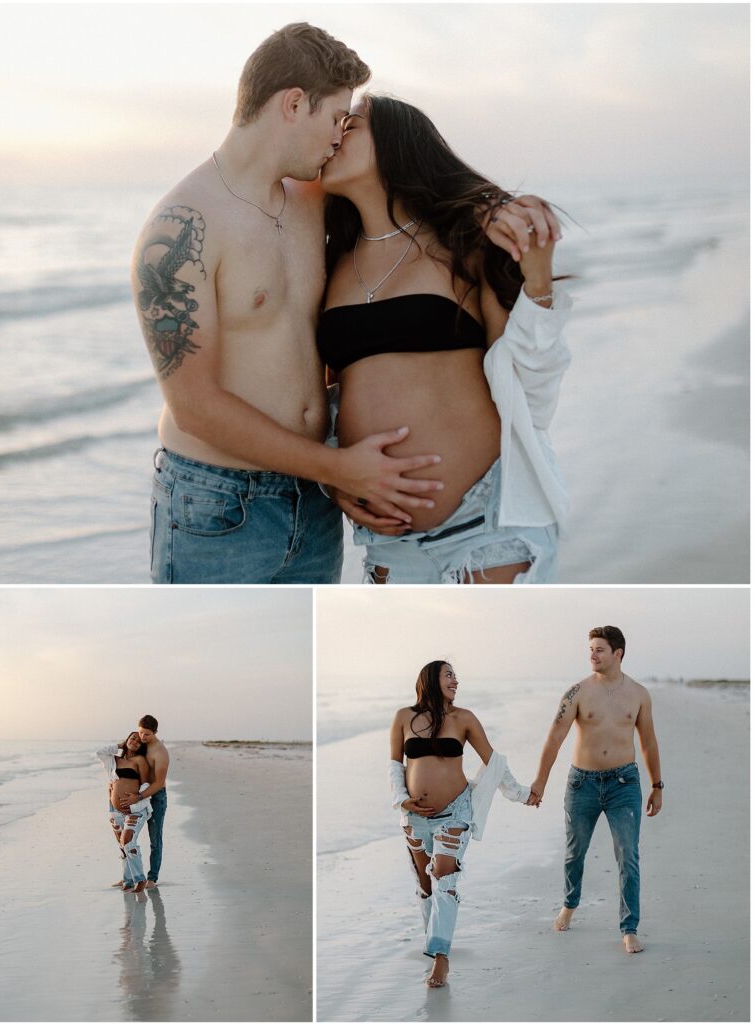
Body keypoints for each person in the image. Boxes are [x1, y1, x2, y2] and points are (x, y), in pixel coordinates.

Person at [132, 24, 446, 584]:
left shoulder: (313, 199)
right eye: (335, 120)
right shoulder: (183, 229)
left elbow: (413, 206)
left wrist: (505, 211)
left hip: (316, 497)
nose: (337, 139)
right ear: (295, 104)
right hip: (217, 506)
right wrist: (339, 468)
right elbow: (195, 407)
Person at [318, 94, 571, 584]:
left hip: (486, 527)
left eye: (352, 123)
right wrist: (336, 472)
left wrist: (536, 281)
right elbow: (329, 396)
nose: (336, 135)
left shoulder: (465, 244)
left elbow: (531, 390)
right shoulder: (329, 262)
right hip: (390, 543)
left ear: (397, 141)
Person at [389, 660, 535, 987]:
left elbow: (494, 762)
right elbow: (395, 766)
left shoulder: (464, 719)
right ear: (430, 679)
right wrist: (402, 799)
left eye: (456, 675)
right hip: (414, 817)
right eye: (449, 675)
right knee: (426, 885)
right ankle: (432, 941)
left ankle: (441, 957)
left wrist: (522, 794)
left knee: (444, 875)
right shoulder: (403, 717)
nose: (456, 680)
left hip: (456, 812)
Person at [529, 626, 663, 954]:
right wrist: (540, 782)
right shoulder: (576, 693)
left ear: (618, 653)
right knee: (575, 853)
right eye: (591, 648)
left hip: (624, 784)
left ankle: (629, 928)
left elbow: (647, 741)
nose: (593, 654)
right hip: (582, 784)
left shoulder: (639, 694)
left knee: (628, 855)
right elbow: (555, 737)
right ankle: (569, 904)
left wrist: (657, 785)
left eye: (600, 649)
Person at [115, 715, 170, 889]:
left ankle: (152, 878)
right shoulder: (139, 743)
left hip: (155, 797)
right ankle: (129, 877)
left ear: (155, 733)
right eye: (140, 733)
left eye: (147, 734)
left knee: (155, 838)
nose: (143, 738)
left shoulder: (160, 752)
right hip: (135, 797)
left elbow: (159, 783)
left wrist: (139, 797)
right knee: (127, 838)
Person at [96, 731, 152, 893]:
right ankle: (127, 880)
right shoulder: (114, 760)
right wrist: (119, 746)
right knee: (122, 846)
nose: (135, 741)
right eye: (132, 738)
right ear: (126, 739)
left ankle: (140, 879)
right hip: (115, 811)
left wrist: (136, 798)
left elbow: (146, 784)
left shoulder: (140, 760)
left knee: (128, 841)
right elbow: (99, 752)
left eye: (138, 741)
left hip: (135, 809)